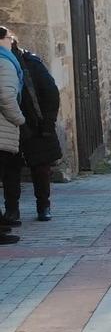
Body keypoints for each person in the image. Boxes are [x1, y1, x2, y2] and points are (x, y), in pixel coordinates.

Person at [11, 38, 61, 222]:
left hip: (35, 122)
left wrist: (48, 123)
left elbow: (50, 92)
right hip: (10, 123)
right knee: (11, 168)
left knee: (40, 167)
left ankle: (43, 205)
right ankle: (12, 210)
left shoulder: (31, 63)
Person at [0, 27, 24, 243]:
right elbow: (7, 97)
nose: (12, 41)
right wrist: (20, 119)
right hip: (4, 129)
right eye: (9, 37)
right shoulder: (4, 62)